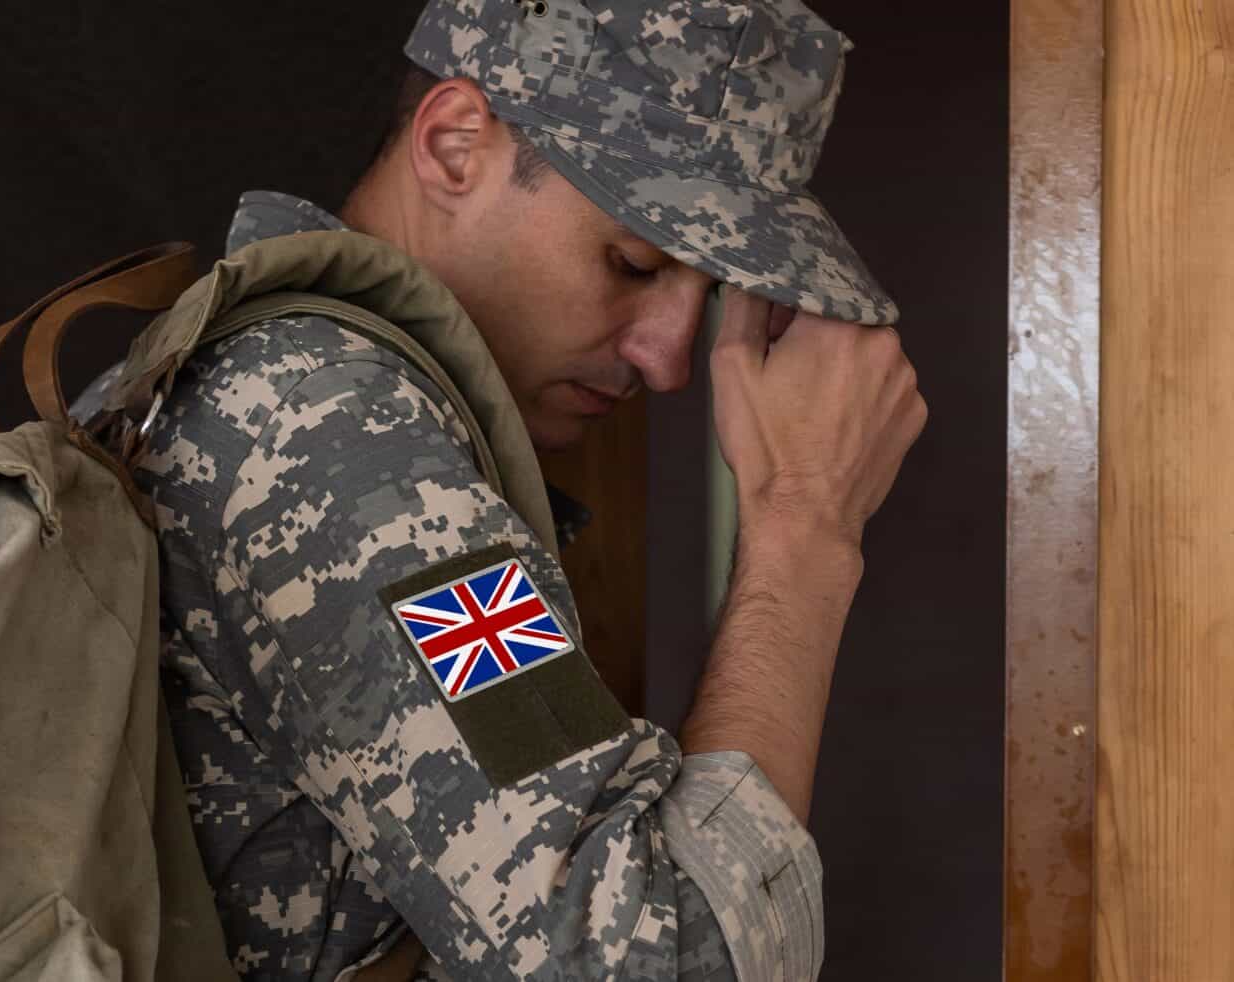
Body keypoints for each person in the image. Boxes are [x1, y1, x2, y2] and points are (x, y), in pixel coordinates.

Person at [73, 0, 925, 978]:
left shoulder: (278, 381)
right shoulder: (337, 432)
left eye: (709, 295)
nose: (668, 360)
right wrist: (803, 520)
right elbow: (647, 965)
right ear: (454, 146)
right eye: (633, 262)